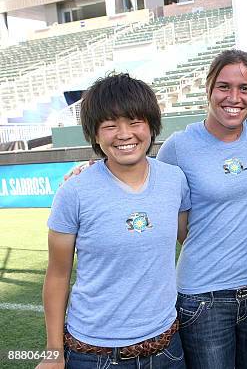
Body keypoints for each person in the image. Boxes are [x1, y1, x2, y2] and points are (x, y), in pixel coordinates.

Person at [38, 73, 191, 369]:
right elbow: (57, 276)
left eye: (135, 122)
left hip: (167, 349)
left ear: (151, 125)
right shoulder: (74, 192)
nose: (124, 134)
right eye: (110, 125)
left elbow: (190, 238)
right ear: (95, 134)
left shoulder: (175, 180)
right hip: (94, 354)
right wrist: (54, 351)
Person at [156, 49, 247, 368]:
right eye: (224, 86)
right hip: (204, 301)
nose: (234, 97)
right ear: (209, 90)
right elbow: (172, 219)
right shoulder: (178, 147)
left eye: (245, 89)